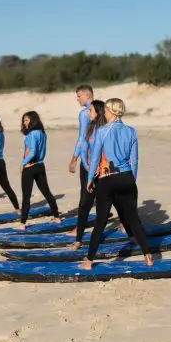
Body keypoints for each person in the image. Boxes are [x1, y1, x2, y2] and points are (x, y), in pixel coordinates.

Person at [81, 98, 153, 270]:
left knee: (100, 222)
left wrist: (90, 179)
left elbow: (95, 158)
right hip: (127, 177)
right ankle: (148, 256)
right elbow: (134, 161)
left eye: (106, 110)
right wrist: (131, 180)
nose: (104, 113)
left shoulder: (101, 131)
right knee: (134, 219)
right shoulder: (131, 131)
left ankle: (89, 261)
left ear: (112, 111)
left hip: (108, 179)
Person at [68, 100, 106, 244]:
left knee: (106, 203)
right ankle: (79, 235)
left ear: (98, 112)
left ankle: (123, 226)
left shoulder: (105, 130)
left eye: (91, 110)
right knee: (85, 202)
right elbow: (84, 146)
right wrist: (86, 165)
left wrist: (98, 167)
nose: (88, 113)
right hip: (88, 169)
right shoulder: (90, 127)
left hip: (101, 172)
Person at [16, 111, 60, 229]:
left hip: (30, 167)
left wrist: (23, 164)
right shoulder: (42, 133)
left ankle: (22, 223)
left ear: (33, 120)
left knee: (26, 196)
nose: (24, 123)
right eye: (24, 120)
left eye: (26, 120)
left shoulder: (32, 134)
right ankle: (56, 216)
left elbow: (32, 152)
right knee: (47, 192)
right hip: (40, 166)